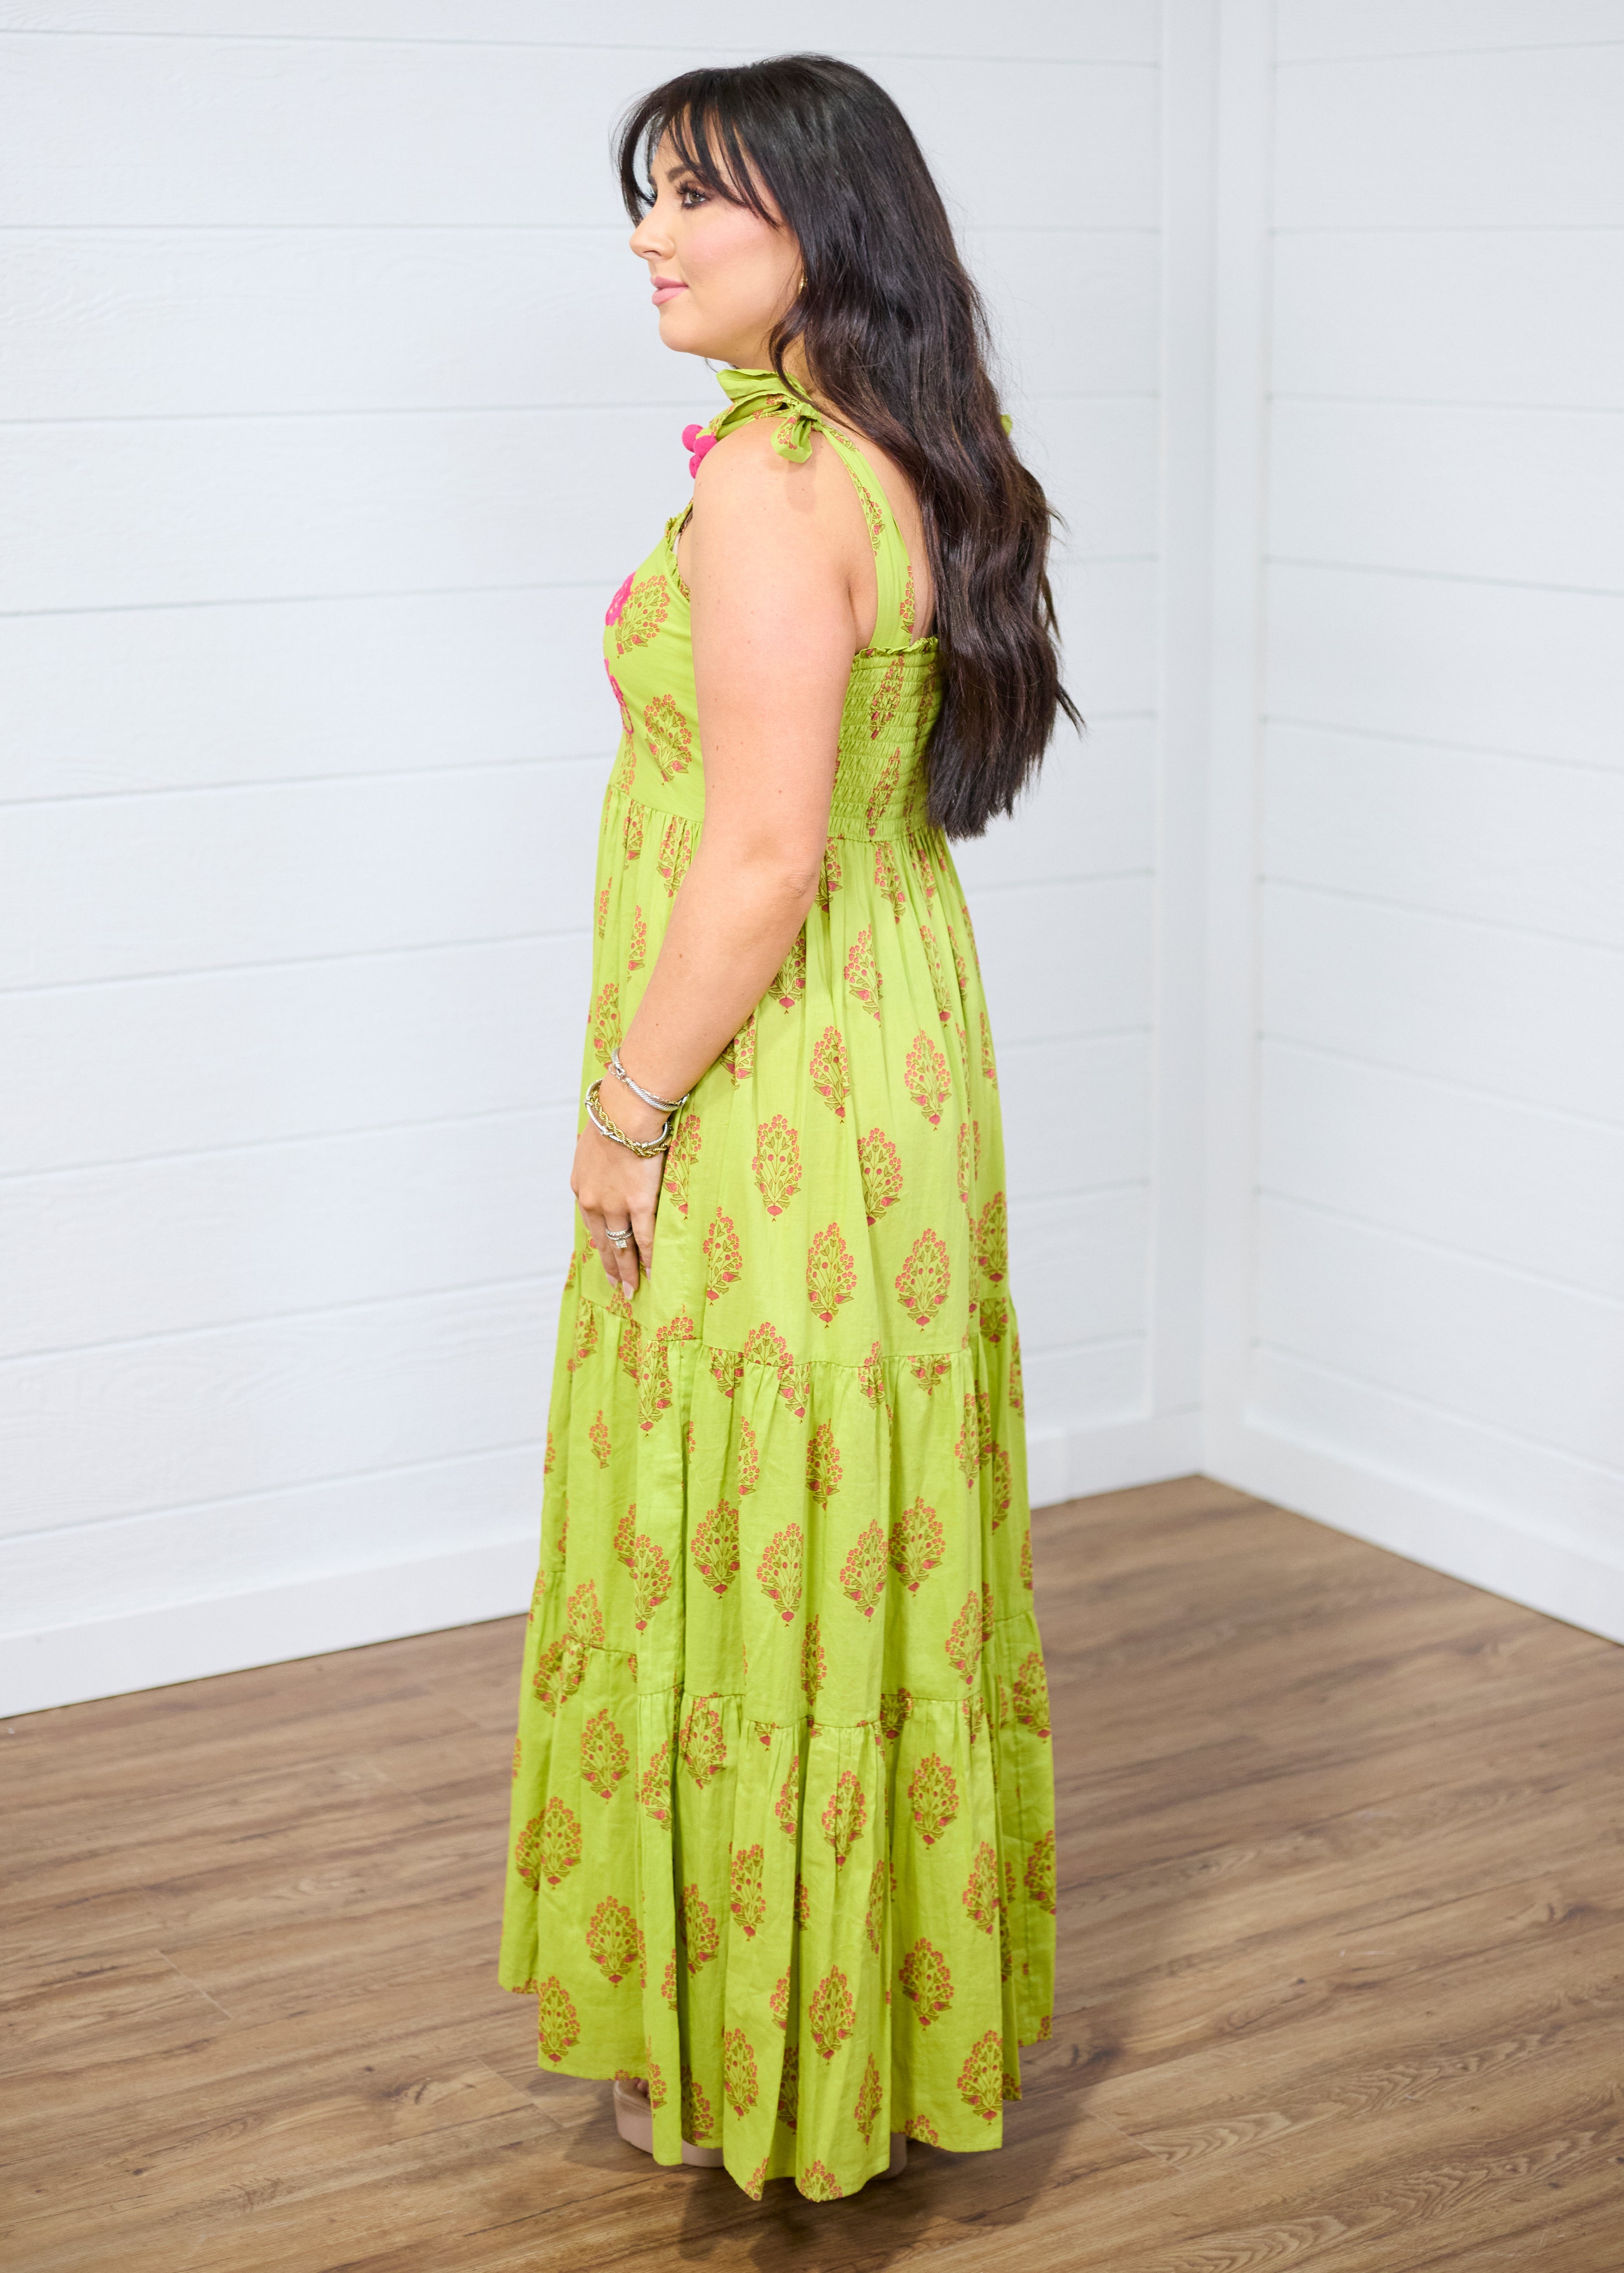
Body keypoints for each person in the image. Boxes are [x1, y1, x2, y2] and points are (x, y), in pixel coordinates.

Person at [499, 53, 1070, 2204]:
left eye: (692, 203)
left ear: (820, 232)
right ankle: (863, 2026)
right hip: (898, 1038)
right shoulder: (918, 456)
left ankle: (743, 2055)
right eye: (645, 199)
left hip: (776, 1066)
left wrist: (624, 1112)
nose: (649, 236)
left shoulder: (769, 484)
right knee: (856, 1522)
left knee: (741, 1516)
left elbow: (757, 853)